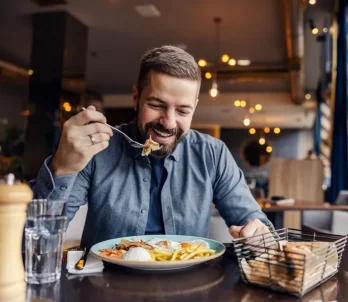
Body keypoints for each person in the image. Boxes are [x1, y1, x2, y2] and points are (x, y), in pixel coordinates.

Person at [29, 46, 272, 250]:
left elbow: (255, 225)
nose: (168, 122)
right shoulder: (98, 150)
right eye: (157, 105)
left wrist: (258, 236)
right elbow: (37, 241)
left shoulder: (213, 154)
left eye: (183, 111)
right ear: (136, 98)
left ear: (194, 108)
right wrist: (62, 166)